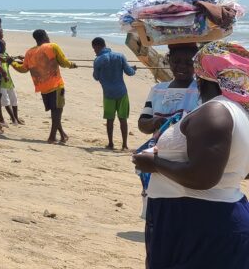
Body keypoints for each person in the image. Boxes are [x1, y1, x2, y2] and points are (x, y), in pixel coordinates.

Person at [132, 41, 249, 268]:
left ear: (202, 74)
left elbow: (202, 178)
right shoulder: (237, 111)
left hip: (198, 222)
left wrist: (154, 163)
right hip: (208, 218)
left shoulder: (215, 112)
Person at [11, 29, 77, 144]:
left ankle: (62, 135)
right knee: (57, 111)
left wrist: (12, 62)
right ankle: (52, 137)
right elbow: (63, 62)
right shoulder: (52, 46)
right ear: (45, 36)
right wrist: (72, 65)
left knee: (55, 111)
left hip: (43, 88)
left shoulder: (29, 52)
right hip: (56, 85)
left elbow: (23, 69)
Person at [139, 43, 201, 135]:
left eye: (189, 63)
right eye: (176, 61)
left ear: (197, 63)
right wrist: (155, 122)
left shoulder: (201, 90)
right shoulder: (157, 90)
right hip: (159, 144)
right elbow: (142, 124)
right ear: (169, 60)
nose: (182, 66)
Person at [91, 37, 136, 150]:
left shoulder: (98, 60)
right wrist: (134, 69)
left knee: (110, 119)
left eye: (94, 48)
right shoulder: (120, 56)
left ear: (97, 46)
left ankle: (110, 143)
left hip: (108, 94)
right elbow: (129, 72)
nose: (94, 51)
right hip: (122, 92)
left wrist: (99, 71)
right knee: (123, 119)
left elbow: (96, 77)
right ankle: (124, 145)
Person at [0, 29, 23, 125]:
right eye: (2, 46)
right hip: (2, 82)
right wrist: (15, 58)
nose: (4, 47)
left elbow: (10, 60)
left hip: (9, 81)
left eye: (5, 45)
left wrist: (20, 60)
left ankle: (16, 117)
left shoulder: (5, 54)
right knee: (5, 101)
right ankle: (13, 119)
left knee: (14, 100)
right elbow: (6, 60)